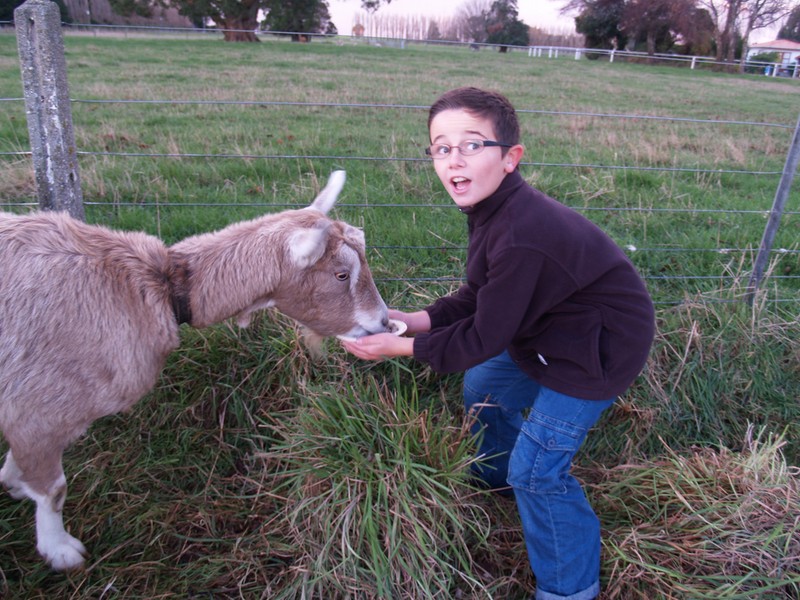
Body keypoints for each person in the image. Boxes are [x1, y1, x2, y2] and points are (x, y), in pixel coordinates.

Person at [341, 86, 655, 600]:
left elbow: (484, 336)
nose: (453, 159)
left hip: (596, 352)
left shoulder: (522, 232)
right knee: (486, 387)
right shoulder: (494, 213)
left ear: (511, 158)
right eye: (441, 148)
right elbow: (478, 297)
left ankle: (568, 588)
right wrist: (412, 320)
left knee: (538, 470)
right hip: (548, 329)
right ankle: (496, 480)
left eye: (471, 145)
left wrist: (396, 348)